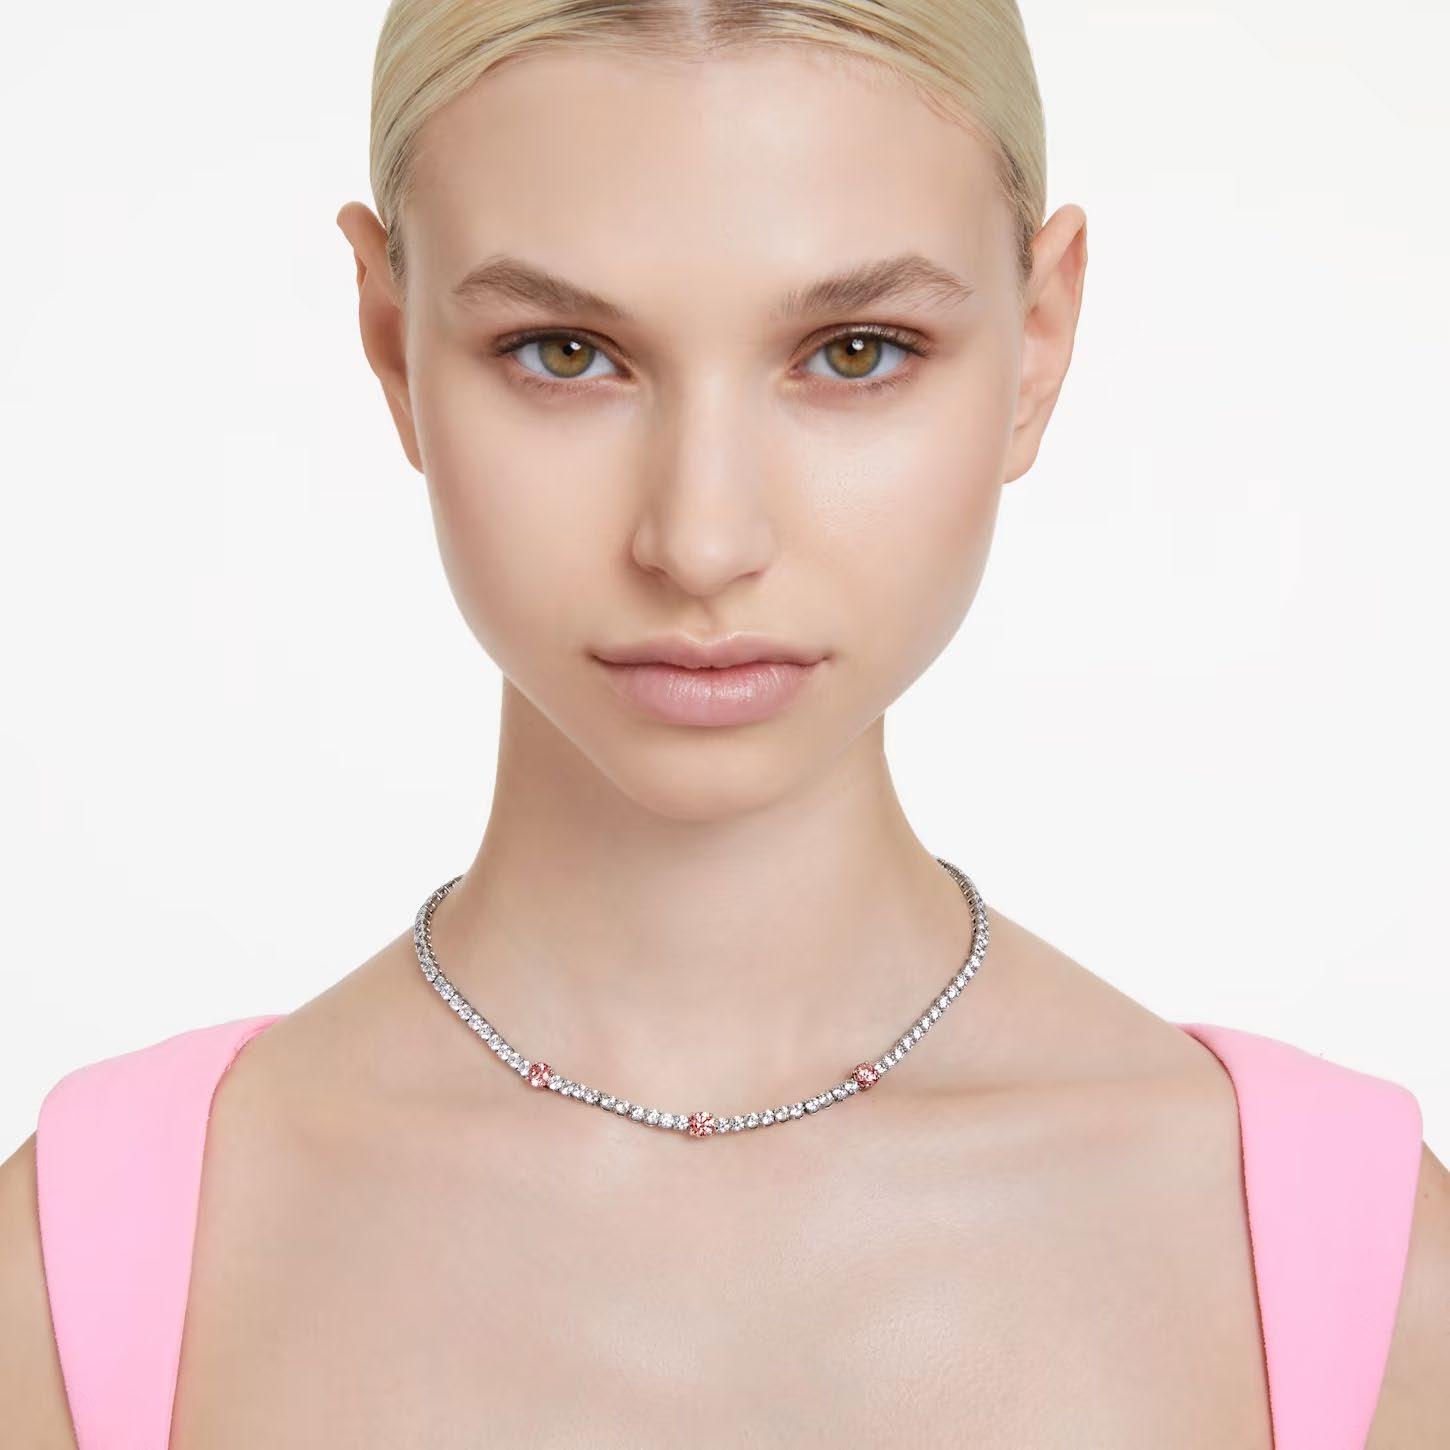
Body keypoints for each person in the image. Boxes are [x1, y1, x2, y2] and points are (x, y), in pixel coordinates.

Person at [3, 1, 1446, 1445]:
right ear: (392, 343)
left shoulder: (1368, 1282)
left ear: (1037, 343)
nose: (699, 541)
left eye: (856, 351)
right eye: (563, 352)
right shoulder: (70, 1285)